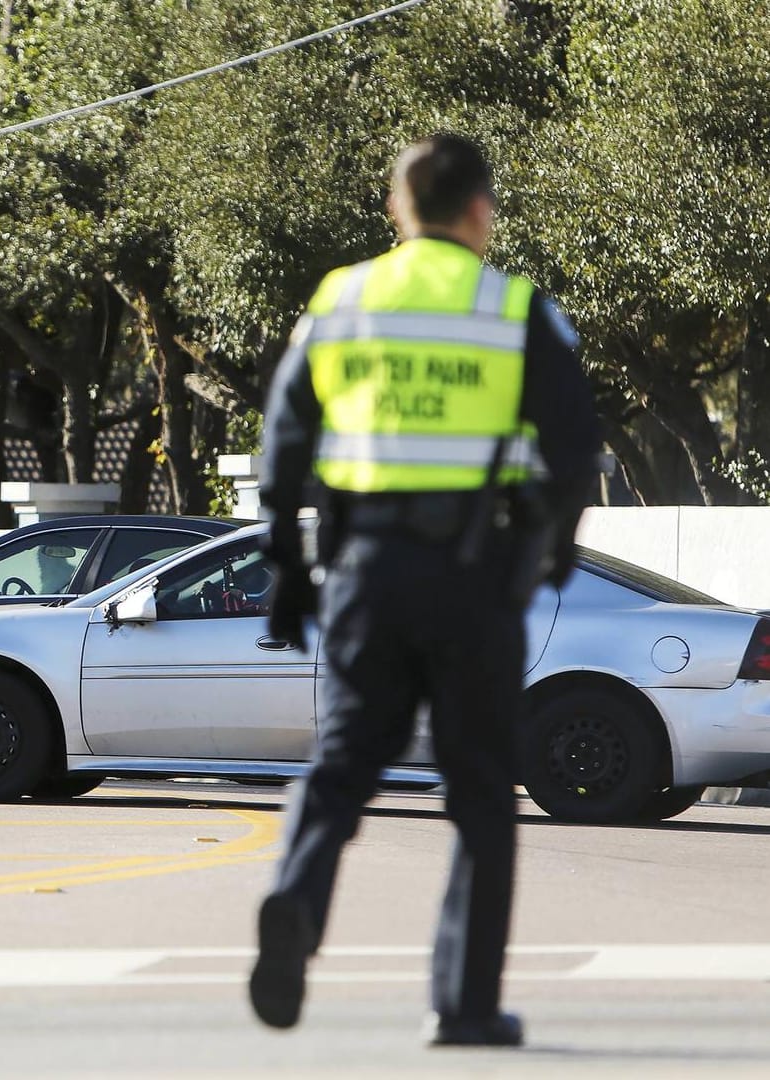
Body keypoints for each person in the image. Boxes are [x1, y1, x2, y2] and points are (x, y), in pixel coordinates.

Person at [248, 134, 600, 1047]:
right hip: (476, 578)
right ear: (477, 209)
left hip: (366, 571)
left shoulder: (342, 299)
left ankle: (294, 898)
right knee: (481, 792)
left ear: (399, 211)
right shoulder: (515, 308)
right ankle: (464, 1003)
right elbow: (572, 456)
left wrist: (291, 565)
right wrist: (548, 561)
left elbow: (283, 449)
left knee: (342, 766)